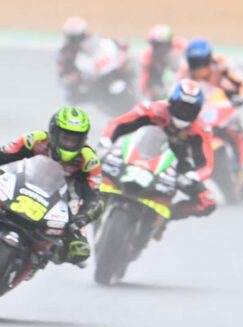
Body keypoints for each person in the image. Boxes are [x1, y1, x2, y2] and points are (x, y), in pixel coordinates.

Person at [101, 79, 216, 220]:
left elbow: (206, 164)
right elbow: (118, 124)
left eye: (190, 110)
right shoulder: (152, 109)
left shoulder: (201, 129)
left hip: (178, 165)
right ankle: (90, 206)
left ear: (197, 111)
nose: (184, 113)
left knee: (208, 201)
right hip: (140, 152)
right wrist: (107, 140)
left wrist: (195, 176)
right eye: (181, 107)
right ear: (171, 103)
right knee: (96, 166)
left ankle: (166, 216)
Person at [0, 107, 101, 265]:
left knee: (79, 250)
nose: (69, 143)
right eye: (66, 138)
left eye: (74, 140)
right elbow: (4, 155)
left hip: (61, 198)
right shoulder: (33, 139)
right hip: (22, 184)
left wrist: (83, 217)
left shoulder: (89, 160)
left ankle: (44, 253)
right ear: (54, 132)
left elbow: (94, 196)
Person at [181, 39, 243, 157]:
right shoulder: (184, 74)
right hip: (198, 108)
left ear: (209, 60)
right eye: (194, 64)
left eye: (201, 63)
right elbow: (172, 93)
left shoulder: (222, 64)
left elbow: (242, 83)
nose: (198, 68)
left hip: (226, 100)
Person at [56, 17, 132, 103]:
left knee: (128, 70)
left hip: (106, 69)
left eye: (79, 35)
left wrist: (120, 46)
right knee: (72, 96)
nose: (77, 39)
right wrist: (74, 78)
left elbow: (114, 43)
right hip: (86, 79)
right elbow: (62, 74)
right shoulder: (65, 52)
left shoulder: (96, 38)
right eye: (74, 37)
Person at [139, 25, 187, 100]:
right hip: (161, 89)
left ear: (169, 44)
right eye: (154, 45)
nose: (157, 49)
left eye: (160, 45)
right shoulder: (147, 56)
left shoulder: (181, 47)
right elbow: (143, 84)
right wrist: (151, 92)